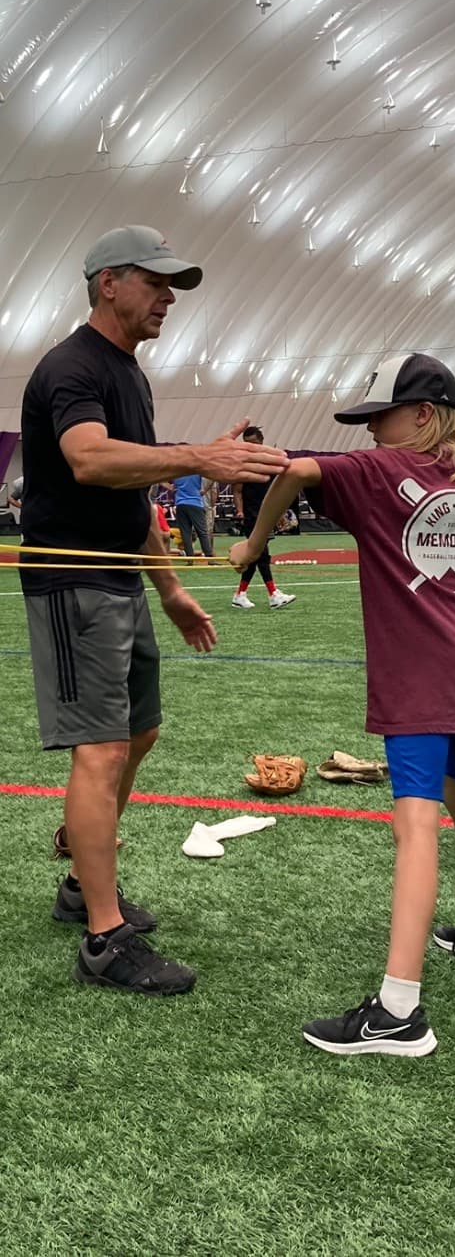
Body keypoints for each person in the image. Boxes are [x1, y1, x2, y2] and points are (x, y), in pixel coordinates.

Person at [230, 352, 455, 1056]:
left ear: (422, 414)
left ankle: (398, 1012)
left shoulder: (379, 474)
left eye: (381, 417)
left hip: (417, 675)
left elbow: (294, 472)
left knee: (416, 823)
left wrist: (254, 543)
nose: (372, 432)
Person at [20, 223, 288, 995]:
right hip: (73, 584)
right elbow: (89, 459)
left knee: (140, 730)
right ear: (108, 282)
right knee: (99, 750)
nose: (169, 297)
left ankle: (82, 885)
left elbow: (133, 494)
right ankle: (104, 939)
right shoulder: (71, 367)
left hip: (121, 583)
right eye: (156, 281)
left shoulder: (128, 374)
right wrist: (200, 454)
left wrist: (169, 589)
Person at [231, 425, 296, 609]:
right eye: (247, 444)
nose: (250, 447)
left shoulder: (269, 462)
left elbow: (276, 488)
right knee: (260, 554)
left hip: (265, 514)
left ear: (261, 441)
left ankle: (240, 595)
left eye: (253, 443)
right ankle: (273, 594)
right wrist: (240, 511)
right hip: (251, 516)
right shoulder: (243, 464)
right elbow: (237, 491)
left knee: (255, 555)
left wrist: (279, 512)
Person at [166, 473, 214, 559]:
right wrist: (204, 490)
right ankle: (209, 557)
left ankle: (190, 558)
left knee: (185, 534)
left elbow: (160, 479)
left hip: (180, 504)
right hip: (195, 503)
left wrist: (170, 487)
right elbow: (212, 478)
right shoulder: (195, 470)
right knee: (202, 532)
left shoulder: (177, 471)